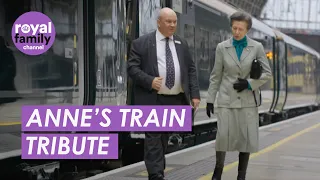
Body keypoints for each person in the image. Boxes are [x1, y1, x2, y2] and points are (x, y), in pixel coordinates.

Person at [127, 7, 201, 180]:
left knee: (163, 138)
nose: (172, 25)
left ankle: (158, 169)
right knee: (153, 137)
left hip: (175, 99)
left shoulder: (181, 44)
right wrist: (149, 81)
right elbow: (132, 68)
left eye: (174, 22)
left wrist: (195, 95)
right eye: (168, 21)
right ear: (159, 22)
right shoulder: (142, 43)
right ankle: (155, 174)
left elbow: (190, 69)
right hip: (153, 98)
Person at [206, 11, 272, 180]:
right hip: (226, 99)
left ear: (247, 30)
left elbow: (267, 73)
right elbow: (216, 76)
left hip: (247, 101)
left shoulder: (256, 47)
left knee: (246, 139)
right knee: (222, 137)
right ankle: (217, 172)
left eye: (240, 29)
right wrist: (210, 100)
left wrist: (249, 84)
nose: (236, 32)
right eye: (234, 28)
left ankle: (241, 176)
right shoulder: (222, 47)